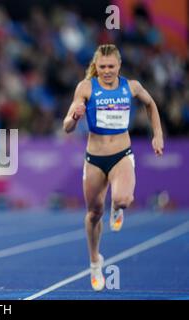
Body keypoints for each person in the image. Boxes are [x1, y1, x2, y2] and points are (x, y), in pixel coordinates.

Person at [63, 44, 164, 291]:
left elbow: (150, 104)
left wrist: (157, 134)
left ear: (119, 66)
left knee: (123, 199)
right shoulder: (86, 87)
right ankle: (95, 261)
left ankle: (117, 208)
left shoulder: (131, 86)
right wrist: (74, 117)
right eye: (102, 67)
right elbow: (66, 126)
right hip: (94, 159)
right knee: (94, 213)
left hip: (121, 155)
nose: (106, 71)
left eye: (111, 66)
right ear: (96, 67)